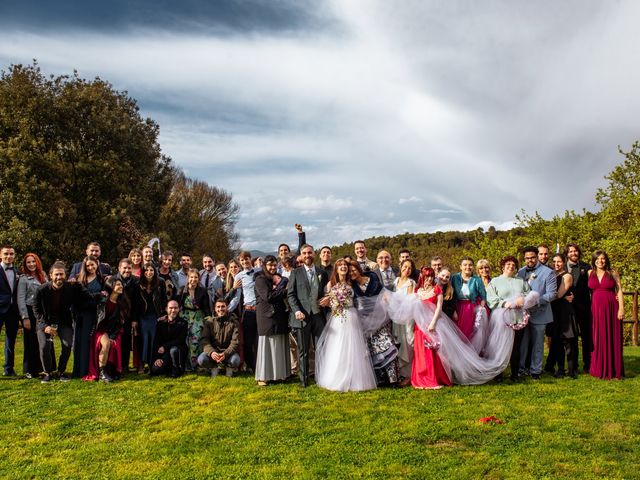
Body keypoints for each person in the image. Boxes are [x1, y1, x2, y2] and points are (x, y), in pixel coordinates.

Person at [315, 259, 376, 392]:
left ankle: (355, 378)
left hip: (352, 316)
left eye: (344, 265)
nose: (343, 267)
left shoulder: (352, 283)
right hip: (337, 318)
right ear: (336, 269)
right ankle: (336, 377)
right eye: (340, 265)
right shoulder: (331, 284)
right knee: (338, 346)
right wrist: (331, 302)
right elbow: (327, 301)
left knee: (354, 347)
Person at [33, 261, 100, 382]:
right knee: (44, 346)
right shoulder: (41, 290)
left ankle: (61, 371)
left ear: (65, 275)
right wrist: (44, 326)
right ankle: (47, 372)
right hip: (45, 322)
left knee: (67, 345)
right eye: (56, 274)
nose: (59, 277)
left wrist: (102, 294)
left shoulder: (72, 287)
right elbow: (36, 309)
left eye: (61, 274)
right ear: (51, 275)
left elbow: (87, 296)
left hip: (64, 321)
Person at [350, 261, 399, 386]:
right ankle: (380, 379)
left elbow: (383, 292)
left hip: (380, 318)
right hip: (364, 323)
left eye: (354, 270)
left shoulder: (372, 278)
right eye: (349, 271)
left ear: (358, 269)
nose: (352, 273)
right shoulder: (351, 286)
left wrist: (388, 300)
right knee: (372, 350)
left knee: (387, 345)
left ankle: (393, 379)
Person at [287, 244, 329, 387]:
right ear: (301, 255)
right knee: (303, 350)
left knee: (320, 348)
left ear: (314, 254)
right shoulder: (295, 273)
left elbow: (325, 292)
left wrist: (327, 299)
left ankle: (321, 377)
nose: (307, 255)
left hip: (318, 315)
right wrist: (297, 310)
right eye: (304, 253)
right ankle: (304, 380)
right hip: (302, 317)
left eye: (309, 252)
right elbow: (291, 295)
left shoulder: (322, 272)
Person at [485, 256, 532, 381]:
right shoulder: (495, 281)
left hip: (518, 317)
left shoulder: (521, 281)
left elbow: (529, 294)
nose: (511, 267)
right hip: (502, 317)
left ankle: (515, 373)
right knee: (500, 345)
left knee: (516, 346)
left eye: (513, 265)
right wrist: (504, 304)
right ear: (503, 266)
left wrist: (524, 300)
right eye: (508, 264)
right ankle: (498, 373)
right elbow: (491, 298)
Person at [517, 246, 556, 380]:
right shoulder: (520, 272)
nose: (530, 260)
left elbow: (552, 294)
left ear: (537, 256)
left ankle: (535, 370)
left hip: (540, 313)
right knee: (523, 343)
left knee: (538, 344)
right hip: (522, 314)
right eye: (527, 258)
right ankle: (521, 369)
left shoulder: (548, 272)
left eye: (533, 257)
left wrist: (535, 301)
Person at [411, 267, 452, 389]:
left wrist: (433, 323)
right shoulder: (417, 291)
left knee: (432, 351)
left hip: (432, 324)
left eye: (430, 276)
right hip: (419, 325)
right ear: (422, 277)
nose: (429, 279)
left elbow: (439, 308)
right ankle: (420, 379)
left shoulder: (437, 289)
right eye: (426, 276)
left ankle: (433, 379)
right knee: (421, 352)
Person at [83, 276, 129, 383]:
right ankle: (102, 372)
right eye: (118, 284)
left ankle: (113, 372)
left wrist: (113, 335)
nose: (121, 286)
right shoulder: (103, 299)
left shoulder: (122, 303)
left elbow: (120, 323)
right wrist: (99, 295)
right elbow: (87, 299)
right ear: (111, 286)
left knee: (114, 343)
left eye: (121, 284)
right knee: (107, 343)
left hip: (113, 331)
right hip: (99, 329)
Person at [254, 255, 291, 385]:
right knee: (267, 347)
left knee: (280, 344)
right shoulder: (260, 279)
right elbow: (268, 296)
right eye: (270, 265)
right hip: (266, 317)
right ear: (264, 265)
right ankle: (264, 376)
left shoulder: (279, 279)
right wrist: (285, 291)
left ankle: (280, 374)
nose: (272, 267)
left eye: (275, 265)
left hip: (280, 316)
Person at [588, 250, 624, 379]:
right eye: (598, 259)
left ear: (606, 260)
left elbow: (619, 290)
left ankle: (614, 369)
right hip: (596, 310)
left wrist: (621, 308)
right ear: (594, 260)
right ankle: (599, 368)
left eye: (603, 258)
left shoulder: (612, 273)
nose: (600, 261)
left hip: (611, 308)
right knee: (598, 337)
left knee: (612, 336)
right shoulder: (589, 273)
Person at [71, 255, 104, 378]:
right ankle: (78, 371)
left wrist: (98, 297)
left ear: (97, 264)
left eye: (92, 264)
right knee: (78, 341)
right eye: (88, 265)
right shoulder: (79, 280)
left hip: (93, 315)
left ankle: (88, 369)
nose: (90, 267)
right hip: (80, 315)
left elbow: (103, 298)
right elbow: (77, 299)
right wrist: (97, 296)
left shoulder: (102, 280)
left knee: (88, 342)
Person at [228, 251, 261, 372]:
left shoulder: (259, 271)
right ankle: (252, 366)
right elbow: (237, 298)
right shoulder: (239, 276)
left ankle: (262, 365)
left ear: (250, 259)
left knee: (261, 340)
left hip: (261, 310)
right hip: (248, 311)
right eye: (242, 260)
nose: (244, 262)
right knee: (248, 341)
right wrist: (227, 310)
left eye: (246, 259)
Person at [133, 262, 167, 373]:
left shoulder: (160, 282)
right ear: (143, 272)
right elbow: (135, 304)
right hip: (142, 316)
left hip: (155, 316)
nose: (149, 272)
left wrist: (163, 314)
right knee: (143, 339)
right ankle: (141, 364)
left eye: (151, 270)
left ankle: (152, 363)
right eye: (146, 270)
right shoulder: (138, 284)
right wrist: (134, 319)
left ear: (155, 271)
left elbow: (164, 300)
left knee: (154, 339)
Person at [549, 253, 579, 378]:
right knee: (556, 342)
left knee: (568, 342)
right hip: (554, 311)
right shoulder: (551, 276)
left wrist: (541, 298)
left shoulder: (567, 276)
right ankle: (560, 369)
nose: (557, 264)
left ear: (564, 262)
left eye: (559, 261)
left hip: (565, 312)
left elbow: (559, 294)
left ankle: (571, 371)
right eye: (554, 261)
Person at [17, 252, 47, 378]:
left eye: (33, 261)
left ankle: (45, 368)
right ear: (25, 264)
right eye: (28, 262)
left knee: (43, 341)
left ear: (37, 262)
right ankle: (30, 370)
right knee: (30, 342)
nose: (31, 264)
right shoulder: (23, 278)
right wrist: (25, 317)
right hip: (29, 311)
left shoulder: (44, 276)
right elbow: (20, 298)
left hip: (42, 312)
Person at [177, 268, 212, 369]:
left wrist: (209, 319)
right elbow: (178, 303)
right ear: (188, 278)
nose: (193, 279)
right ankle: (185, 364)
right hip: (185, 317)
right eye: (191, 277)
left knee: (195, 341)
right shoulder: (182, 289)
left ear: (199, 278)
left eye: (196, 277)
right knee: (185, 340)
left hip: (197, 318)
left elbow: (206, 307)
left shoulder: (202, 291)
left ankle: (196, 364)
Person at [565, 243, 592, 373]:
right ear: (567, 254)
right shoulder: (561, 267)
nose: (573, 253)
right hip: (568, 308)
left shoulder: (587, 267)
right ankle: (573, 366)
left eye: (575, 251)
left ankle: (588, 365)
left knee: (587, 337)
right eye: (570, 251)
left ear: (579, 253)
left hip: (585, 307)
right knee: (571, 337)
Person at [197, 299, 241, 377]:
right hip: (214, 352)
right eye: (218, 307)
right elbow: (204, 340)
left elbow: (235, 342)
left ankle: (228, 367)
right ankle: (213, 367)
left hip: (228, 353)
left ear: (227, 307)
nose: (220, 309)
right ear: (215, 309)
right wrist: (212, 352)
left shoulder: (234, 322)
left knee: (235, 360)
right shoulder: (209, 322)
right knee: (201, 360)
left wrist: (225, 353)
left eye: (223, 306)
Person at [392, 259, 417, 383]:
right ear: (400, 266)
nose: (407, 270)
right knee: (398, 341)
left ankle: (409, 375)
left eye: (409, 268)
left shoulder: (411, 283)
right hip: (396, 316)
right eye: (405, 267)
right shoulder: (395, 281)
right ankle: (400, 373)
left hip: (407, 316)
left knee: (408, 341)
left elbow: (410, 300)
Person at [113, 258, 138, 374]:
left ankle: (124, 366)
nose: (127, 270)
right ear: (119, 268)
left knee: (127, 342)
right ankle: (113, 366)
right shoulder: (113, 280)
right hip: (114, 316)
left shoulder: (135, 281)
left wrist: (134, 319)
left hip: (128, 317)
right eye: (125, 268)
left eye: (129, 268)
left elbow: (137, 302)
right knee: (114, 342)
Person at [451, 257, 486, 340]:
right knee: (457, 333)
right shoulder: (454, 278)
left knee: (469, 332)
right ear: (460, 266)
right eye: (465, 265)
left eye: (470, 265)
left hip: (471, 308)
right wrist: (453, 310)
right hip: (457, 307)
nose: (468, 267)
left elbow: (483, 296)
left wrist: (480, 310)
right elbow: (451, 295)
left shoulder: (477, 280)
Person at [151, 300, 189, 377]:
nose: (173, 310)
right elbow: (157, 341)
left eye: (175, 308)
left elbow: (180, 340)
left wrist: (165, 346)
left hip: (178, 350)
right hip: (164, 352)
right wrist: (157, 358)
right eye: (170, 308)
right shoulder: (160, 323)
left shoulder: (183, 323)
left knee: (173, 350)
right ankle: (168, 367)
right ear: (166, 309)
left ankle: (177, 370)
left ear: (179, 309)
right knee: (155, 369)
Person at [0, 245, 19, 376]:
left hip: (13, 311)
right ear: (1, 255)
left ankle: (9, 369)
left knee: (10, 340)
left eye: (11, 254)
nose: (9, 256)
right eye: (6, 254)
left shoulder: (17, 271)